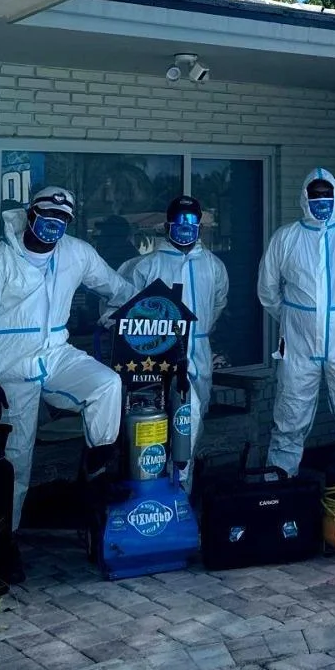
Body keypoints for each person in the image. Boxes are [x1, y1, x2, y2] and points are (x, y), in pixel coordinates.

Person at [0, 186, 136, 553]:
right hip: (11, 366)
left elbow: (117, 288)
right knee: (15, 459)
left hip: (56, 353)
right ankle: (3, 542)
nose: (54, 223)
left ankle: (96, 474)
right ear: (31, 214)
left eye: (62, 218)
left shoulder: (77, 253)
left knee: (106, 385)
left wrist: (134, 311)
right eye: (47, 215)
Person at [258, 168, 335, 475]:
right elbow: (268, 290)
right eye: (315, 195)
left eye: (327, 194)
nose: (321, 201)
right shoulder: (286, 237)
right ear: (304, 198)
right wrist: (294, 318)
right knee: (289, 415)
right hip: (298, 347)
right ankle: (279, 483)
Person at [116, 195, 229, 487]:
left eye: (192, 221)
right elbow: (120, 307)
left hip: (199, 352)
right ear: (167, 225)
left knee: (193, 424)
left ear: (200, 225)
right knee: (177, 419)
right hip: (157, 355)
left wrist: (199, 332)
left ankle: (177, 492)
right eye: (179, 221)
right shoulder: (146, 266)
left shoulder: (213, 265)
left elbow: (218, 303)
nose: (185, 227)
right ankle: (166, 489)